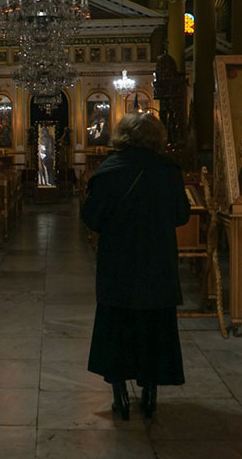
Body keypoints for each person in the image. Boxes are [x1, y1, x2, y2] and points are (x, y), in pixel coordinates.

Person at [81, 112, 190, 420]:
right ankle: (150, 393)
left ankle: (120, 396)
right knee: (154, 327)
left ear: (122, 135)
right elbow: (181, 215)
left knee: (117, 327)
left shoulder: (108, 171)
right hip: (157, 263)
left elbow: (91, 217)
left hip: (119, 264)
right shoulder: (169, 171)